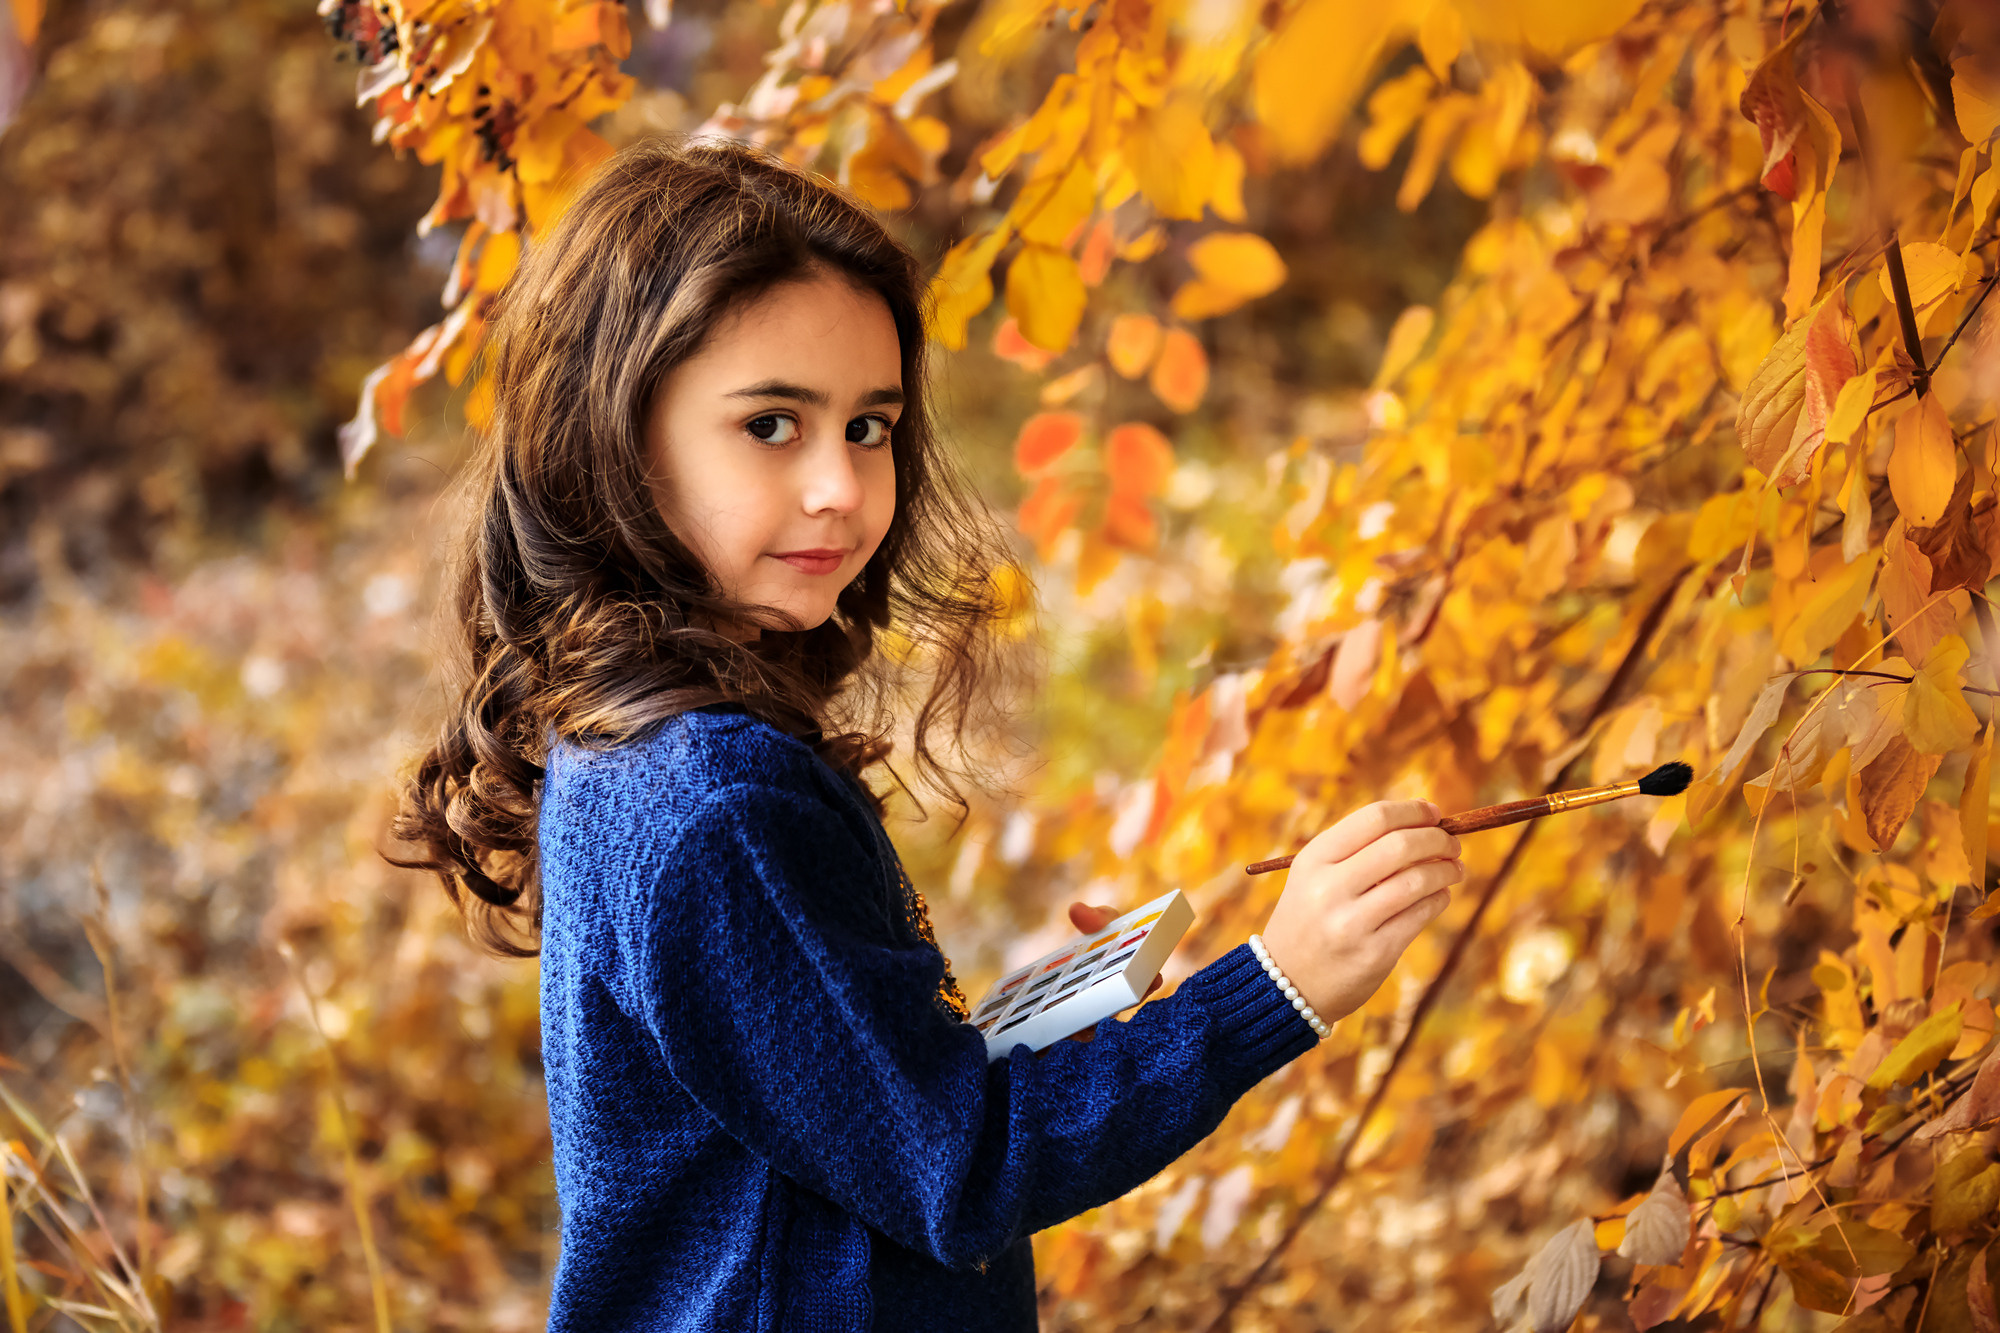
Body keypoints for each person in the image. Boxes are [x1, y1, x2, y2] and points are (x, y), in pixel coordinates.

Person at [386, 135, 1464, 1332]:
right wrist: (1277, 987)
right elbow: (961, 1170)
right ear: (616, 437)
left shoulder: (642, 742)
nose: (841, 487)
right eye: (770, 426)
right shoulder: (714, 798)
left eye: (867, 427)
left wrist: (1015, 1017)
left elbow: (848, 1100)